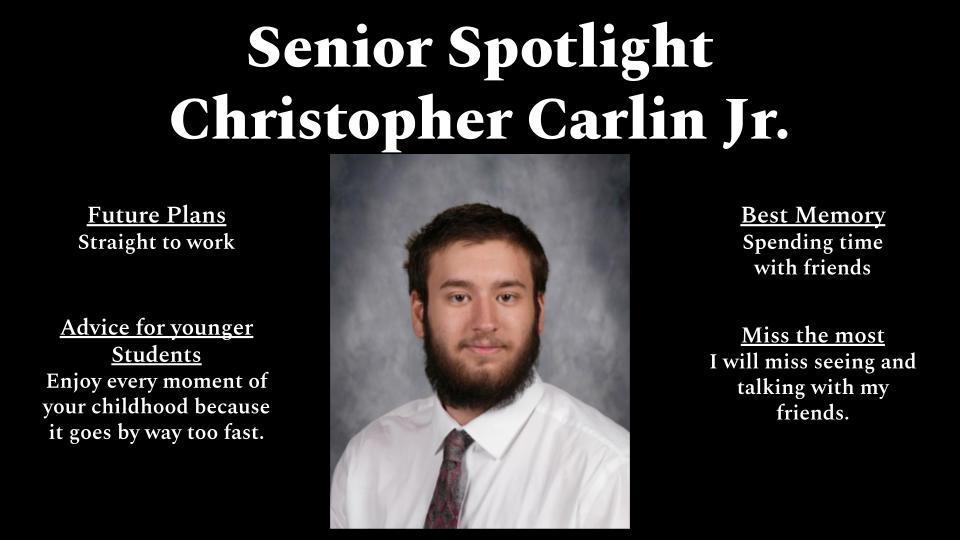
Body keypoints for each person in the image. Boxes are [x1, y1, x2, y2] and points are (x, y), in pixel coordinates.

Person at [330, 203, 629, 528]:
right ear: (419, 313)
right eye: (459, 297)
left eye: (506, 297)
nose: (485, 323)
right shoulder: (366, 459)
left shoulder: (609, 472)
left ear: (539, 312)